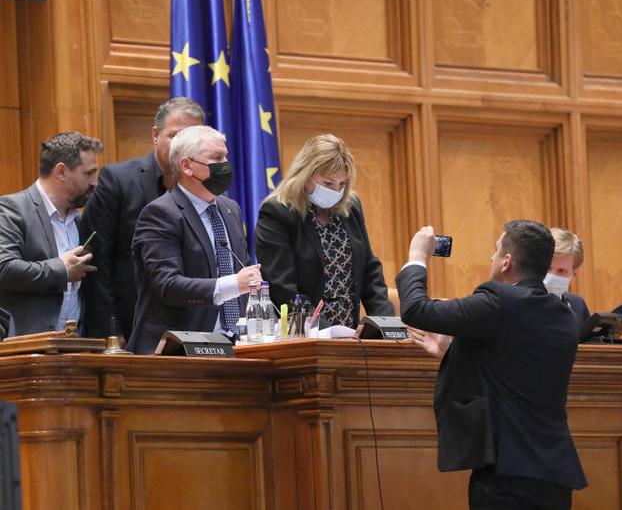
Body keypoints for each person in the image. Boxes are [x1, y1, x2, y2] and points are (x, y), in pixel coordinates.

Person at [398, 221, 587, 510]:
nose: (492, 257)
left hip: (506, 474)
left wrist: (417, 257)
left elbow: (416, 309)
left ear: (507, 261)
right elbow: (516, 365)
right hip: (555, 472)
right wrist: (454, 350)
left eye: (496, 250)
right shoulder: (564, 314)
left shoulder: (499, 301)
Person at [127, 125, 262, 354]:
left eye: (226, 157)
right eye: (216, 158)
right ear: (186, 166)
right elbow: (169, 286)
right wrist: (233, 284)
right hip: (175, 350)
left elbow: (242, 269)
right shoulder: (161, 214)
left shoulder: (230, 209)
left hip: (233, 347)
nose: (225, 165)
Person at [79, 97, 204, 339]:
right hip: (130, 326)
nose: (184, 146)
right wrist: (111, 333)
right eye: (175, 136)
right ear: (155, 135)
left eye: (193, 138)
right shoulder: (117, 180)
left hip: (194, 326)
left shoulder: (205, 188)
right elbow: (96, 261)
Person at [255, 134, 394, 328]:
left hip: (349, 333)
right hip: (305, 333)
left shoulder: (350, 206)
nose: (336, 190)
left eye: (342, 184)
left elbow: (369, 269)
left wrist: (385, 324)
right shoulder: (278, 212)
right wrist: (325, 331)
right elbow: (282, 287)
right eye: (328, 183)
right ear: (305, 175)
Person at [0, 132, 101, 334]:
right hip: (27, 350)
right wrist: (61, 271)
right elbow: (4, 268)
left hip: (77, 349)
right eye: (88, 173)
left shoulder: (81, 221)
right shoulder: (12, 209)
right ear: (61, 172)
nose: (95, 182)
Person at [545, 227, 590, 322]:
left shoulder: (577, 306)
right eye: (547, 268)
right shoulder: (518, 304)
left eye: (561, 271)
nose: (551, 276)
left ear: (574, 274)